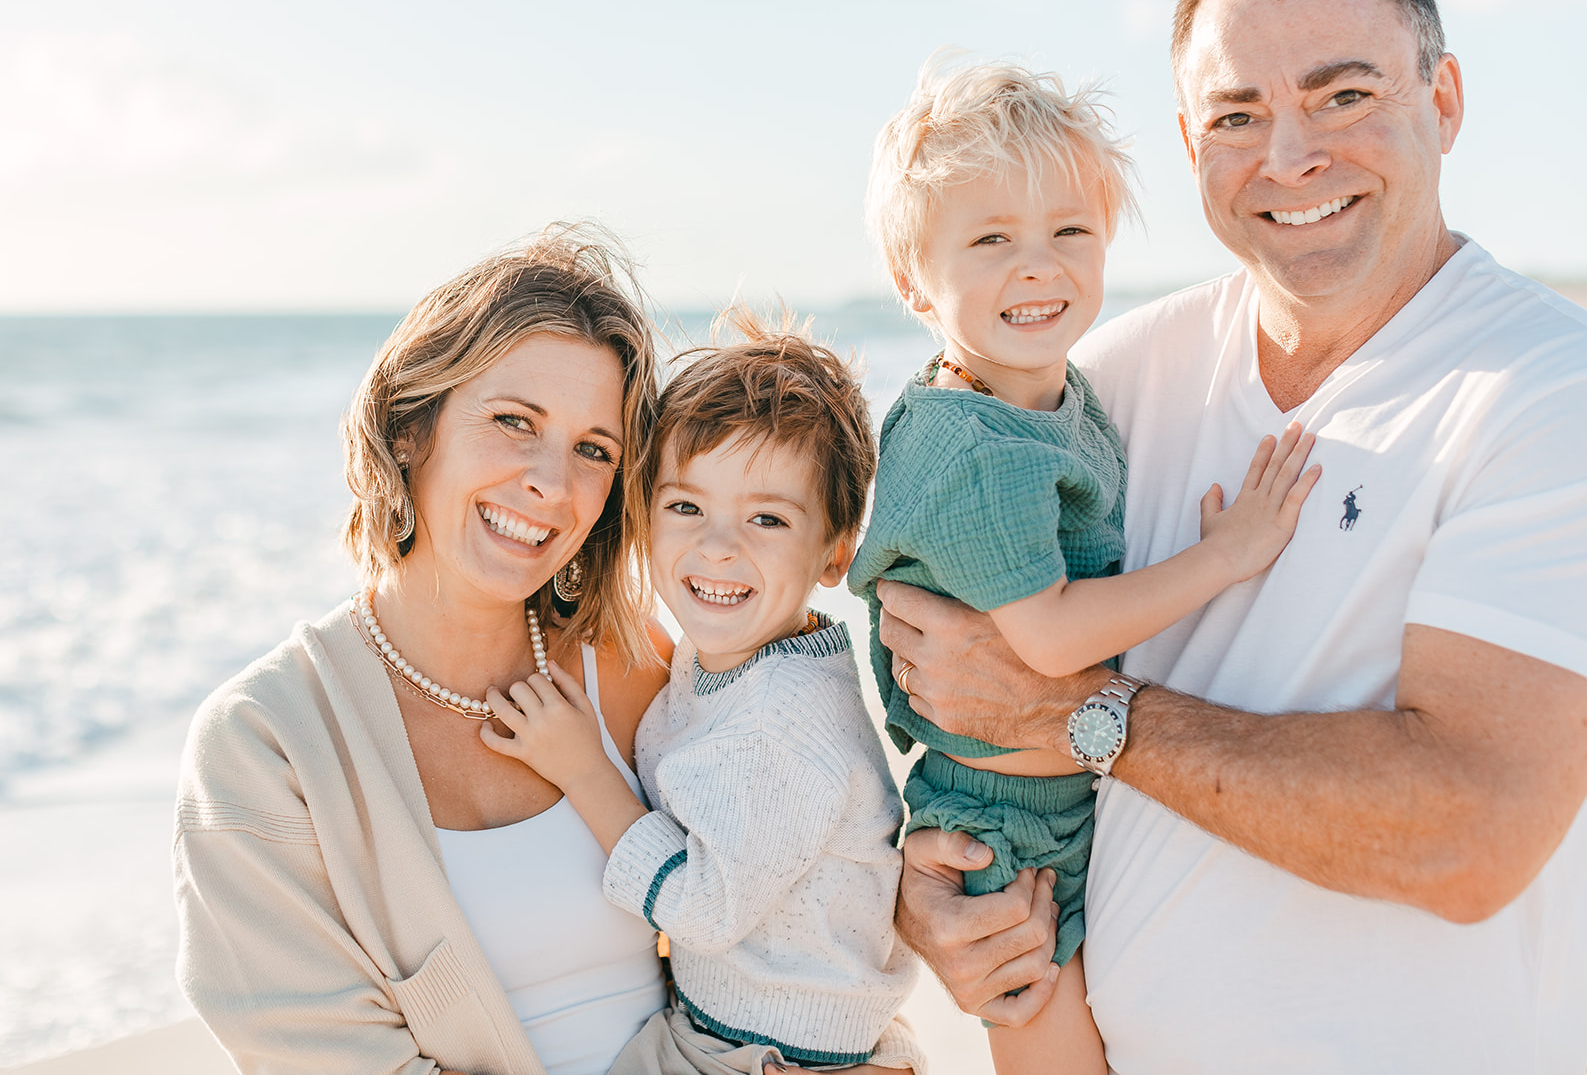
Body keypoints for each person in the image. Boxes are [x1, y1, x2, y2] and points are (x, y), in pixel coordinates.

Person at [885, 0, 1587, 1075]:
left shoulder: (1547, 391)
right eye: (1236, 114)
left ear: (1445, 101)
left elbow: (1469, 831)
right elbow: (947, 680)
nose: (1289, 155)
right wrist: (938, 895)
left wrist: (1073, 715)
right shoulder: (1098, 387)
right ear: (1187, 145)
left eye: (1342, 94)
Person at [847, 57, 1319, 1075]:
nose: (1037, 267)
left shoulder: (1065, 397)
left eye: (1069, 232)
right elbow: (1052, 635)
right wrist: (1223, 558)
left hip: (1079, 797)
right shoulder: (969, 442)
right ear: (909, 283)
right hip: (997, 829)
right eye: (989, 241)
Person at [173, 224, 673, 1075]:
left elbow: (774, 904)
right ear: (412, 428)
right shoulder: (264, 745)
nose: (551, 483)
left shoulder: (631, 667)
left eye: (594, 450)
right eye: (515, 422)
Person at [483, 311, 923, 1075]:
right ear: (645, 515)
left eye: (767, 518)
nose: (719, 545)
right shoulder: (733, 656)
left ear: (834, 552)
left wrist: (582, 768)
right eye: (687, 506)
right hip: (729, 1028)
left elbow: (708, 905)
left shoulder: (783, 722)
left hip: (768, 1055)